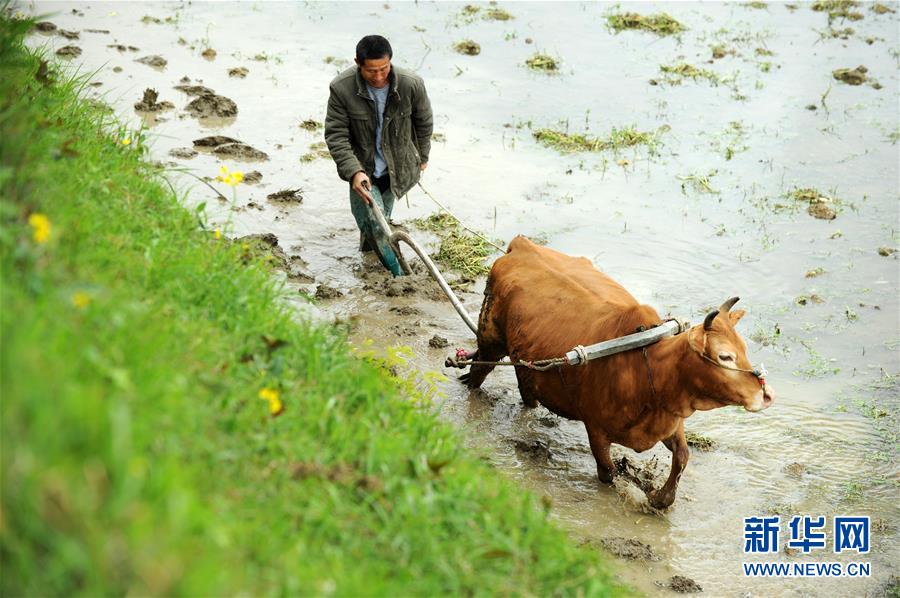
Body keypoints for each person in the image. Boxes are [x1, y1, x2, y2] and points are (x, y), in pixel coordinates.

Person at [324, 35, 433, 276]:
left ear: (390, 62)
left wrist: (423, 157)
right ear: (357, 63)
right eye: (372, 71)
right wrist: (354, 171)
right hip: (364, 169)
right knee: (376, 222)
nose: (379, 76)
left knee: (378, 223)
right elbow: (336, 135)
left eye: (384, 69)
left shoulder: (410, 84)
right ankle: (400, 275)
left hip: (396, 169)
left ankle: (369, 258)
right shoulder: (341, 89)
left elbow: (424, 122)